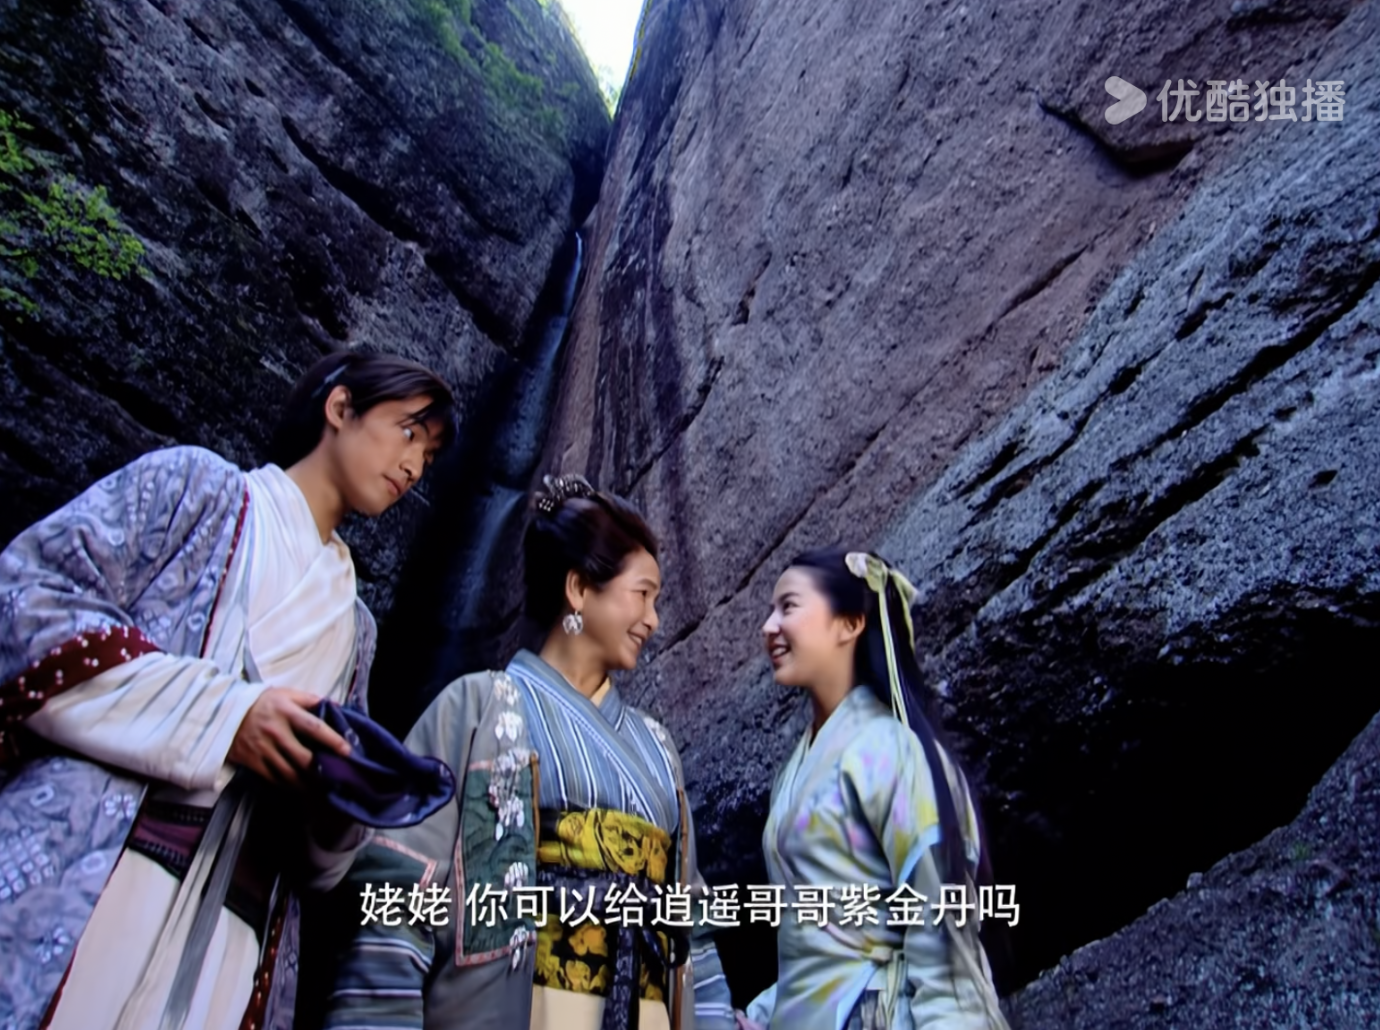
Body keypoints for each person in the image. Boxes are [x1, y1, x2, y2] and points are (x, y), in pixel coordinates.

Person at [0, 348, 457, 1030]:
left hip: (239, 934)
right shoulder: (199, 489)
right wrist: (228, 715)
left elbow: (323, 861)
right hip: (104, 871)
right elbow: (26, 599)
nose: (414, 466)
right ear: (340, 409)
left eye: (429, 455)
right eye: (409, 432)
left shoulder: (356, 631)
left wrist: (341, 806)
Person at [321, 473, 735, 1030]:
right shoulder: (477, 709)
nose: (653, 620)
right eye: (642, 595)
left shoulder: (658, 748)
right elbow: (398, 889)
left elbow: (692, 924)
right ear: (578, 589)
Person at [736, 548, 1009, 1030]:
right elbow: (823, 944)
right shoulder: (794, 771)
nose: (768, 626)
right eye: (770, 610)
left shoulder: (889, 749)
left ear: (850, 623)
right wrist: (767, 1014)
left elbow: (942, 939)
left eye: (788, 606)